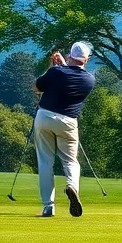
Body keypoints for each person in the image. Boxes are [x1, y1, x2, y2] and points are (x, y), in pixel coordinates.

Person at [33, 41, 96, 217]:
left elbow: (37, 88)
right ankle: (72, 187)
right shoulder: (89, 79)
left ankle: (49, 206)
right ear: (87, 59)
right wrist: (64, 65)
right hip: (68, 122)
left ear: (70, 55)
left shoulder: (55, 72)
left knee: (45, 162)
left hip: (45, 117)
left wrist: (54, 66)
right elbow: (69, 76)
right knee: (70, 161)